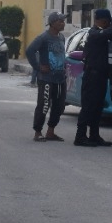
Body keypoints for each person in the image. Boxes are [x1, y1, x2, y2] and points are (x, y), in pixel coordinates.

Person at [74, 3, 112, 147]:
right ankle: (80, 136)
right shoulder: (95, 34)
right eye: (108, 21)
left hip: (100, 76)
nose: (109, 24)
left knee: (97, 107)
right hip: (92, 76)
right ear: (103, 21)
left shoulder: (100, 33)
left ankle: (94, 136)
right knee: (88, 107)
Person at [26, 12, 69, 141]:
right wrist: (38, 67)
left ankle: (51, 131)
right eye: (60, 21)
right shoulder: (43, 38)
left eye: (63, 21)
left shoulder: (61, 37)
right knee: (44, 105)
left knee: (59, 106)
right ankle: (38, 132)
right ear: (53, 23)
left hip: (60, 78)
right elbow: (30, 51)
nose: (63, 23)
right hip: (46, 79)